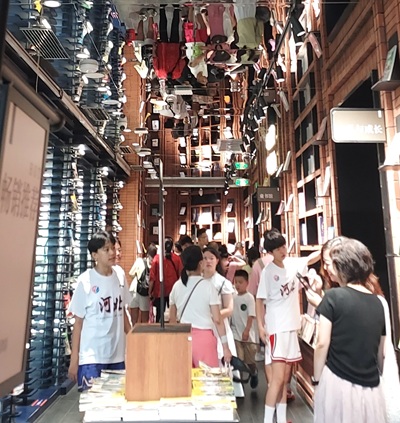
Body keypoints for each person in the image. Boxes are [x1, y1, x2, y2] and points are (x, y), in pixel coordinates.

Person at [313, 237, 386, 423]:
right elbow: (381, 352)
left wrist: (317, 380)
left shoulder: (333, 297)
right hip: (372, 388)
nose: (328, 269)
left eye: (332, 263)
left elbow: (322, 343)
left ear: (342, 266)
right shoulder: (378, 302)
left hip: (338, 382)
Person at [256, 228, 320, 423]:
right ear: (270, 252)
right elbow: (259, 300)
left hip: (291, 327)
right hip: (276, 329)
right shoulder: (268, 272)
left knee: (284, 379)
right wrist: (260, 327)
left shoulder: (293, 263)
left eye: (283, 246)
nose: (282, 251)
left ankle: (282, 419)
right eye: (277, 249)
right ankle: (268, 420)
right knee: (276, 380)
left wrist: (329, 247)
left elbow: (311, 258)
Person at [67, 231, 131, 391]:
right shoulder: (85, 281)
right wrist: (74, 359)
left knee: (116, 401)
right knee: (91, 403)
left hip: (117, 356)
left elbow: (123, 312)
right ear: (94, 255)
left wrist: (133, 340)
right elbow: (78, 323)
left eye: (113, 248)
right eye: (106, 249)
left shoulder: (120, 275)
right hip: (92, 357)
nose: (112, 253)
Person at [169, 245, 232, 367]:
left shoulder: (177, 286)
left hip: (183, 337)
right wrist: (225, 346)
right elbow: (217, 319)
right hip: (204, 338)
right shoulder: (208, 287)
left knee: (185, 376)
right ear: (200, 263)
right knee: (207, 377)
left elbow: (172, 319)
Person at [203, 246, 244, 397]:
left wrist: (214, 315)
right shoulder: (197, 281)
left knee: (222, 362)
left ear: (217, 261)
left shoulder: (222, 283)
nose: (208, 261)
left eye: (211, 258)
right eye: (205, 258)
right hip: (202, 328)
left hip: (219, 328)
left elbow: (229, 309)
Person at [231, 269, 258, 388]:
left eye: (240, 282)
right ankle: (240, 385)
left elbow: (251, 315)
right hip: (236, 334)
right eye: (236, 282)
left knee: (250, 361)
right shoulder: (233, 297)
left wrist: (247, 330)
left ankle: (254, 372)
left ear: (247, 283)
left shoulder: (249, 298)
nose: (237, 285)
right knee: (239, 361)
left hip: (248, 336)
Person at [149, 237, 183, 323]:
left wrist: (149, 291)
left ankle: (159, 330)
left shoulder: (157, 259)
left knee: (159, 316)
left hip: (160, 290)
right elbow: (181, 275)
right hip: (174, 290)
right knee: (175, 314)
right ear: (172, 246)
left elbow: (152, 277)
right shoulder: (177, 259)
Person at [129, 243, 157, 325]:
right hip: (146, 293)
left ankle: (134, 332)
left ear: (147, 254)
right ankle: (143, 333)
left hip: (134, 290)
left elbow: (131, 273)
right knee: (145, 320)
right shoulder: (155, 264)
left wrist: (138, 278)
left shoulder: (139, 261)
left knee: (133, 319)